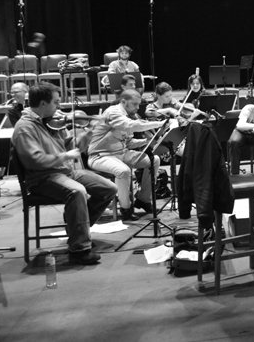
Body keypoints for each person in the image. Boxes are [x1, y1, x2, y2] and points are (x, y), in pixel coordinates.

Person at [12, 82, 117, 265]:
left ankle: (75, 226)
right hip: (42, 177)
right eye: (56, 102)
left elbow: (70, 146)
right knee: (77, 192)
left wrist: (89, 132)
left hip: (64, 172)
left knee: (109, 188)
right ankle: (79, 249)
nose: (59, 106)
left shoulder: (50, 121)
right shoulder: (25, 127)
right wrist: (65, 156)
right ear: (43, 104)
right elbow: (34, 160)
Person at [87, 90, 166, 221]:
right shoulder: (113, 112)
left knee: (154, 160)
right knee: (123, 170)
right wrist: (159, 124)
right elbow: (130, 125)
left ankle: (144, 199)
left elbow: (128, 142)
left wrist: (147, 141)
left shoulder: (128, 115)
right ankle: (126, 208)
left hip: (122, 153)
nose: (137, 108)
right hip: (100, 155)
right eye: (134, 104)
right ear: (124, 102)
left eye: (139, 104)